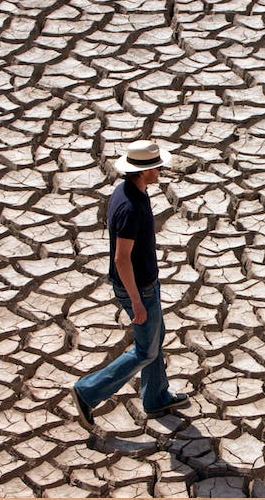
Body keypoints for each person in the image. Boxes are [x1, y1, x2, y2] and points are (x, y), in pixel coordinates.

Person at [72, 139, 189, 427]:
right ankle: (87, 391)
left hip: (147, 283)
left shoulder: (128, 191)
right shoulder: (131, 207)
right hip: (138, 289)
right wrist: (136, 301)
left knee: (155, 338)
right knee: (145, 351)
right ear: (145, 171)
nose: (160, 169)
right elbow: (121, 259)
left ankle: (156, 397)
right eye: (156, 165)